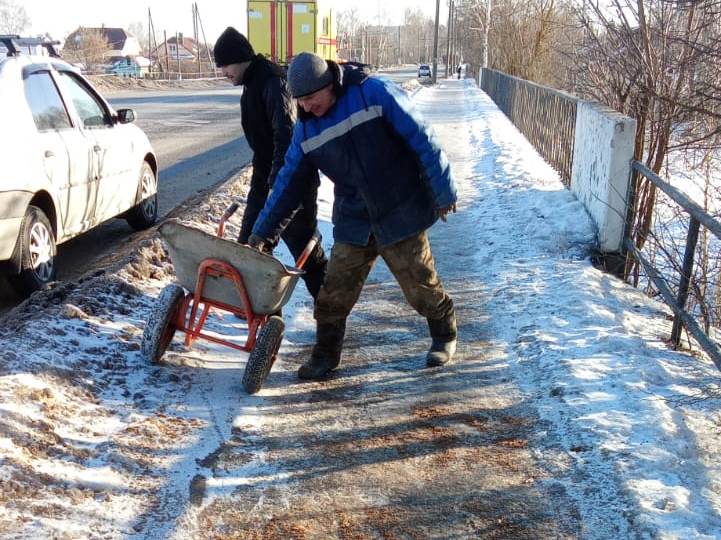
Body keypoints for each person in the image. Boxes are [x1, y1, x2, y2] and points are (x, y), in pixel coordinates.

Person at [248, 51, 458, 380]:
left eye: (311, 98)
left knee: (421, 288)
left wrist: (443, 191)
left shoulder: (373, 93)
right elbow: (287, 185)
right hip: (354, 219)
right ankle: (325, 355)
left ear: (330, 84)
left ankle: (444, 334)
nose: (305, 107)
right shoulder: (306, 131)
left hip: (398, 207)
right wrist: (262, 234)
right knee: (333, 294)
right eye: (299, 101)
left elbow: (422, 138)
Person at [213, 27, 327, 299]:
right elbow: (263, 144)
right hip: (266, 175)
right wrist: (263, 181)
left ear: (240, 58)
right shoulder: (252, 83)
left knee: (304, 249)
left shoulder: (273, 82)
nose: (223, 71)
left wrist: (278, 184)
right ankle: (260, 314)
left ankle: (329, 309)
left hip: (292, 179)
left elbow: (285, 135)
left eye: (225, 64)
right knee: (250, 246)